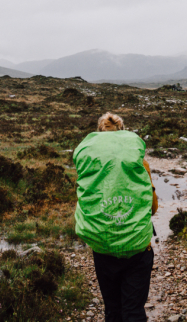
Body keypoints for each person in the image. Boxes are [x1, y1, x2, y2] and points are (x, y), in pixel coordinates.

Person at [73, 112, 158, 322]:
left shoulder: (90, 164)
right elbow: (152, 207)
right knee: (133, 311)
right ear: (122, 133)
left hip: (103, 247)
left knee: (113, 310)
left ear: (100, 135)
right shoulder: (140, 163)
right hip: (137, 247)